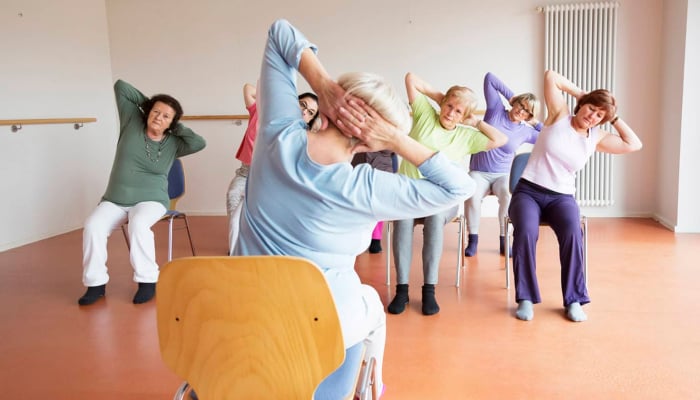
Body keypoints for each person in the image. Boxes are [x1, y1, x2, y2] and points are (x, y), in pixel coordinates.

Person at [233, 19, 476, 396]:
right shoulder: (366, 188)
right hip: (316, 337)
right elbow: (459, 187)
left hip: (240, 328)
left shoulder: (275, 136)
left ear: (326, 109)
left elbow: (280, 32)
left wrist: (323, 86)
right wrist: (397, 139)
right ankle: (373, 389)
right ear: (370, 142)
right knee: (370, 309)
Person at [509, 70, 642, 322]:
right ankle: (525, 298)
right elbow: (551, 77)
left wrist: (613, 117)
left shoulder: (597, 138)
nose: (593, 117)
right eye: (591, 109)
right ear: (582, 105)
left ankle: (574, 299)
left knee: (572, 233)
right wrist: (584, 95)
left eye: (599, 115)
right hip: (529, 191)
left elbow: (634, 144)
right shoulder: (559, 114)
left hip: (562, 198)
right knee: (526, 231)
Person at [388, 73, 508, 316]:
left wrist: (476, 122)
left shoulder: (466, 135)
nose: (451, 113)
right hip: (409, 191)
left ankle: (428, 290)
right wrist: (442, 97)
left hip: (441, 197)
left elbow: (501, 139)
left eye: (458, 111)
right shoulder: (424, 114)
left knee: (433, 219)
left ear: (464, 116)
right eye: (449, 106)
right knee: (402, 221)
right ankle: (401, 289)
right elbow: (411, 78)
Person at [78, 80, 206, 306]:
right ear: (147, 112)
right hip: (115, 199)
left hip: (151, 200)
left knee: (138, 224)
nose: (158, 117)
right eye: (156, 112)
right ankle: (95, 284)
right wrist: (151, 106)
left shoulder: (174, 142)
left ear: (172, 123)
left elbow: (199, 143)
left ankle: (148, 282)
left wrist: (175, 126)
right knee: (93, 226)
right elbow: (121, 87)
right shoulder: (132, 121)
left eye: (166, 116)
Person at [226, 83, 319, 255]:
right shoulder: (264, 112)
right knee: (234, 215)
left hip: (271, 181)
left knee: (262, 220)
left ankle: (250, 250)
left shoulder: (302, 135)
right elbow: (248, 88)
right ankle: (237, 252)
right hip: (246, 174)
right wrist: (280, 99)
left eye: (310, 112)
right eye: (302, 105)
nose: (304, 111)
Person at [464, 72, 542, 257]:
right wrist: (511, 96)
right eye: (520, 105)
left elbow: (550, 136)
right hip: (479, 172)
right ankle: (473, 239)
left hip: (502, 175)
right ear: (514, 103)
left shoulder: (525, 131)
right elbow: (489, 78)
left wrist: (535, 123)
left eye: (526, 110)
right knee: (472, 194)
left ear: (529, 115)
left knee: (507, 196)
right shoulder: (495, 110)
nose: (521, 111)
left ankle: (503, 241)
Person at [351, 150, 396, 254]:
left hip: (381, 167)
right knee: (358, 203)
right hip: (359, 165)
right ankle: (358, 235)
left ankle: (376, 238)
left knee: (378, 203)